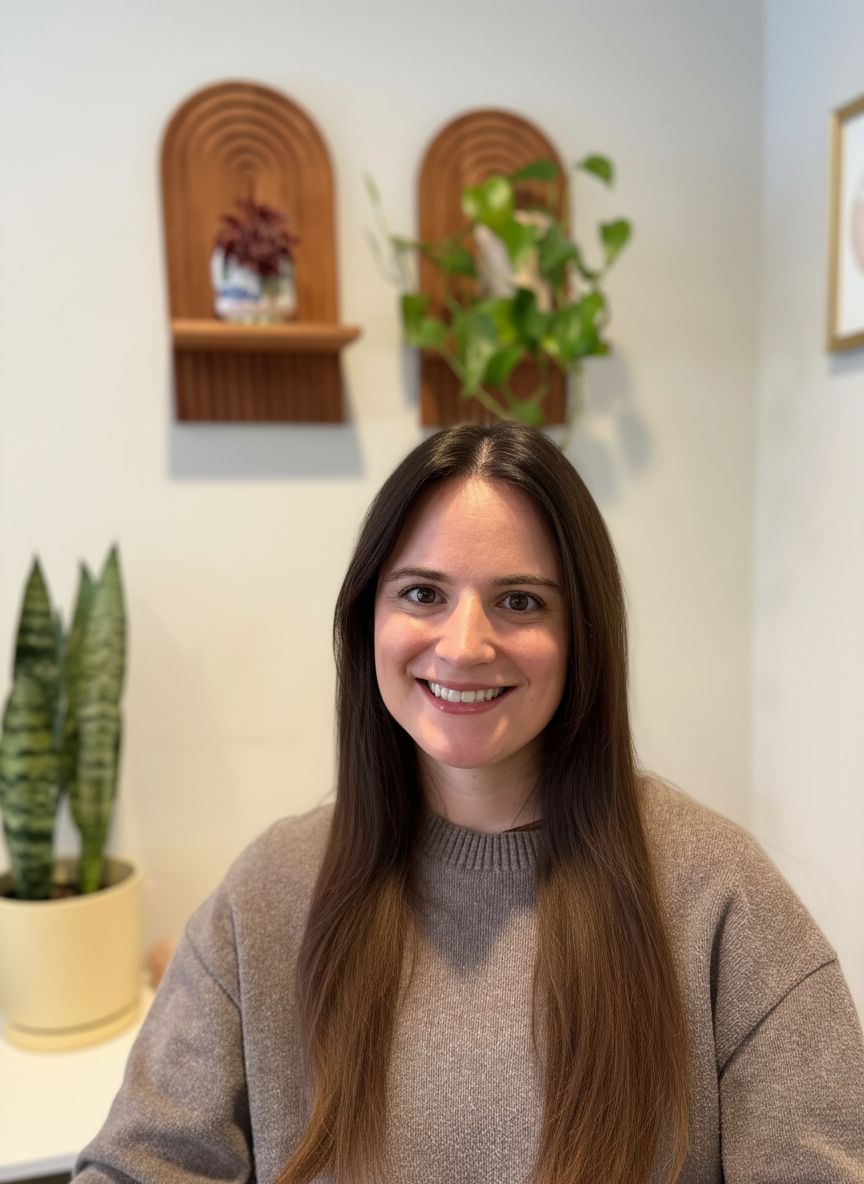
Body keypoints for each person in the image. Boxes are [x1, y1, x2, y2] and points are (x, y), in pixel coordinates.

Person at [75, 423, 864, 1184]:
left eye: (519, 602)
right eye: (423, 593)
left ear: (582, 635)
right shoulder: (268, 892)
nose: (462, 646)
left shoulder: (719, 895)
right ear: (368, 619)